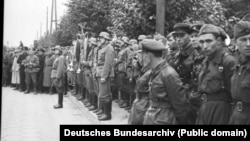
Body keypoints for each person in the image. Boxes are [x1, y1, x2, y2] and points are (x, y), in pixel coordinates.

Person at [141, 39, 195, 125]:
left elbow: (180, 104)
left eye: (143, 54)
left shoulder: (168, 74)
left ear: (149, 55)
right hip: (155, 118)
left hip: (164, 120)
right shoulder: (155, 71)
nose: (142, 57)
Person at [196, 24, 236, 124]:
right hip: (204, 109)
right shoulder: (206, 60)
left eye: (209, 41)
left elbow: (234, 94)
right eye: (201, 42)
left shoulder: (228, 61)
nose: (205, 46)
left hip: (221, 111)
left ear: (218, 41)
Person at [229, 20, 250, 124]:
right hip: (236, 117)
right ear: (235, 42)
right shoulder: (238, 63)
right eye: (243, 39)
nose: (248, 44)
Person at [128, 50, 151, 124]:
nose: (141, 59)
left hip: (145, 101)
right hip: (140, 99)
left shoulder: (151, 71)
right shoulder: (144, 70)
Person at [96, 32, 115, 120]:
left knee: (105, 94)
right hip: (101, 73)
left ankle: (107, 115)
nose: (100, 39)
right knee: (103, 94)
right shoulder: (103, 48)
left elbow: (108, 64)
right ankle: (104, 112)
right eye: (100, 38)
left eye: (102, 38)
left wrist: (104, 76)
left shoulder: (109, 48)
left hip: (105, 74)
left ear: (106, 39)